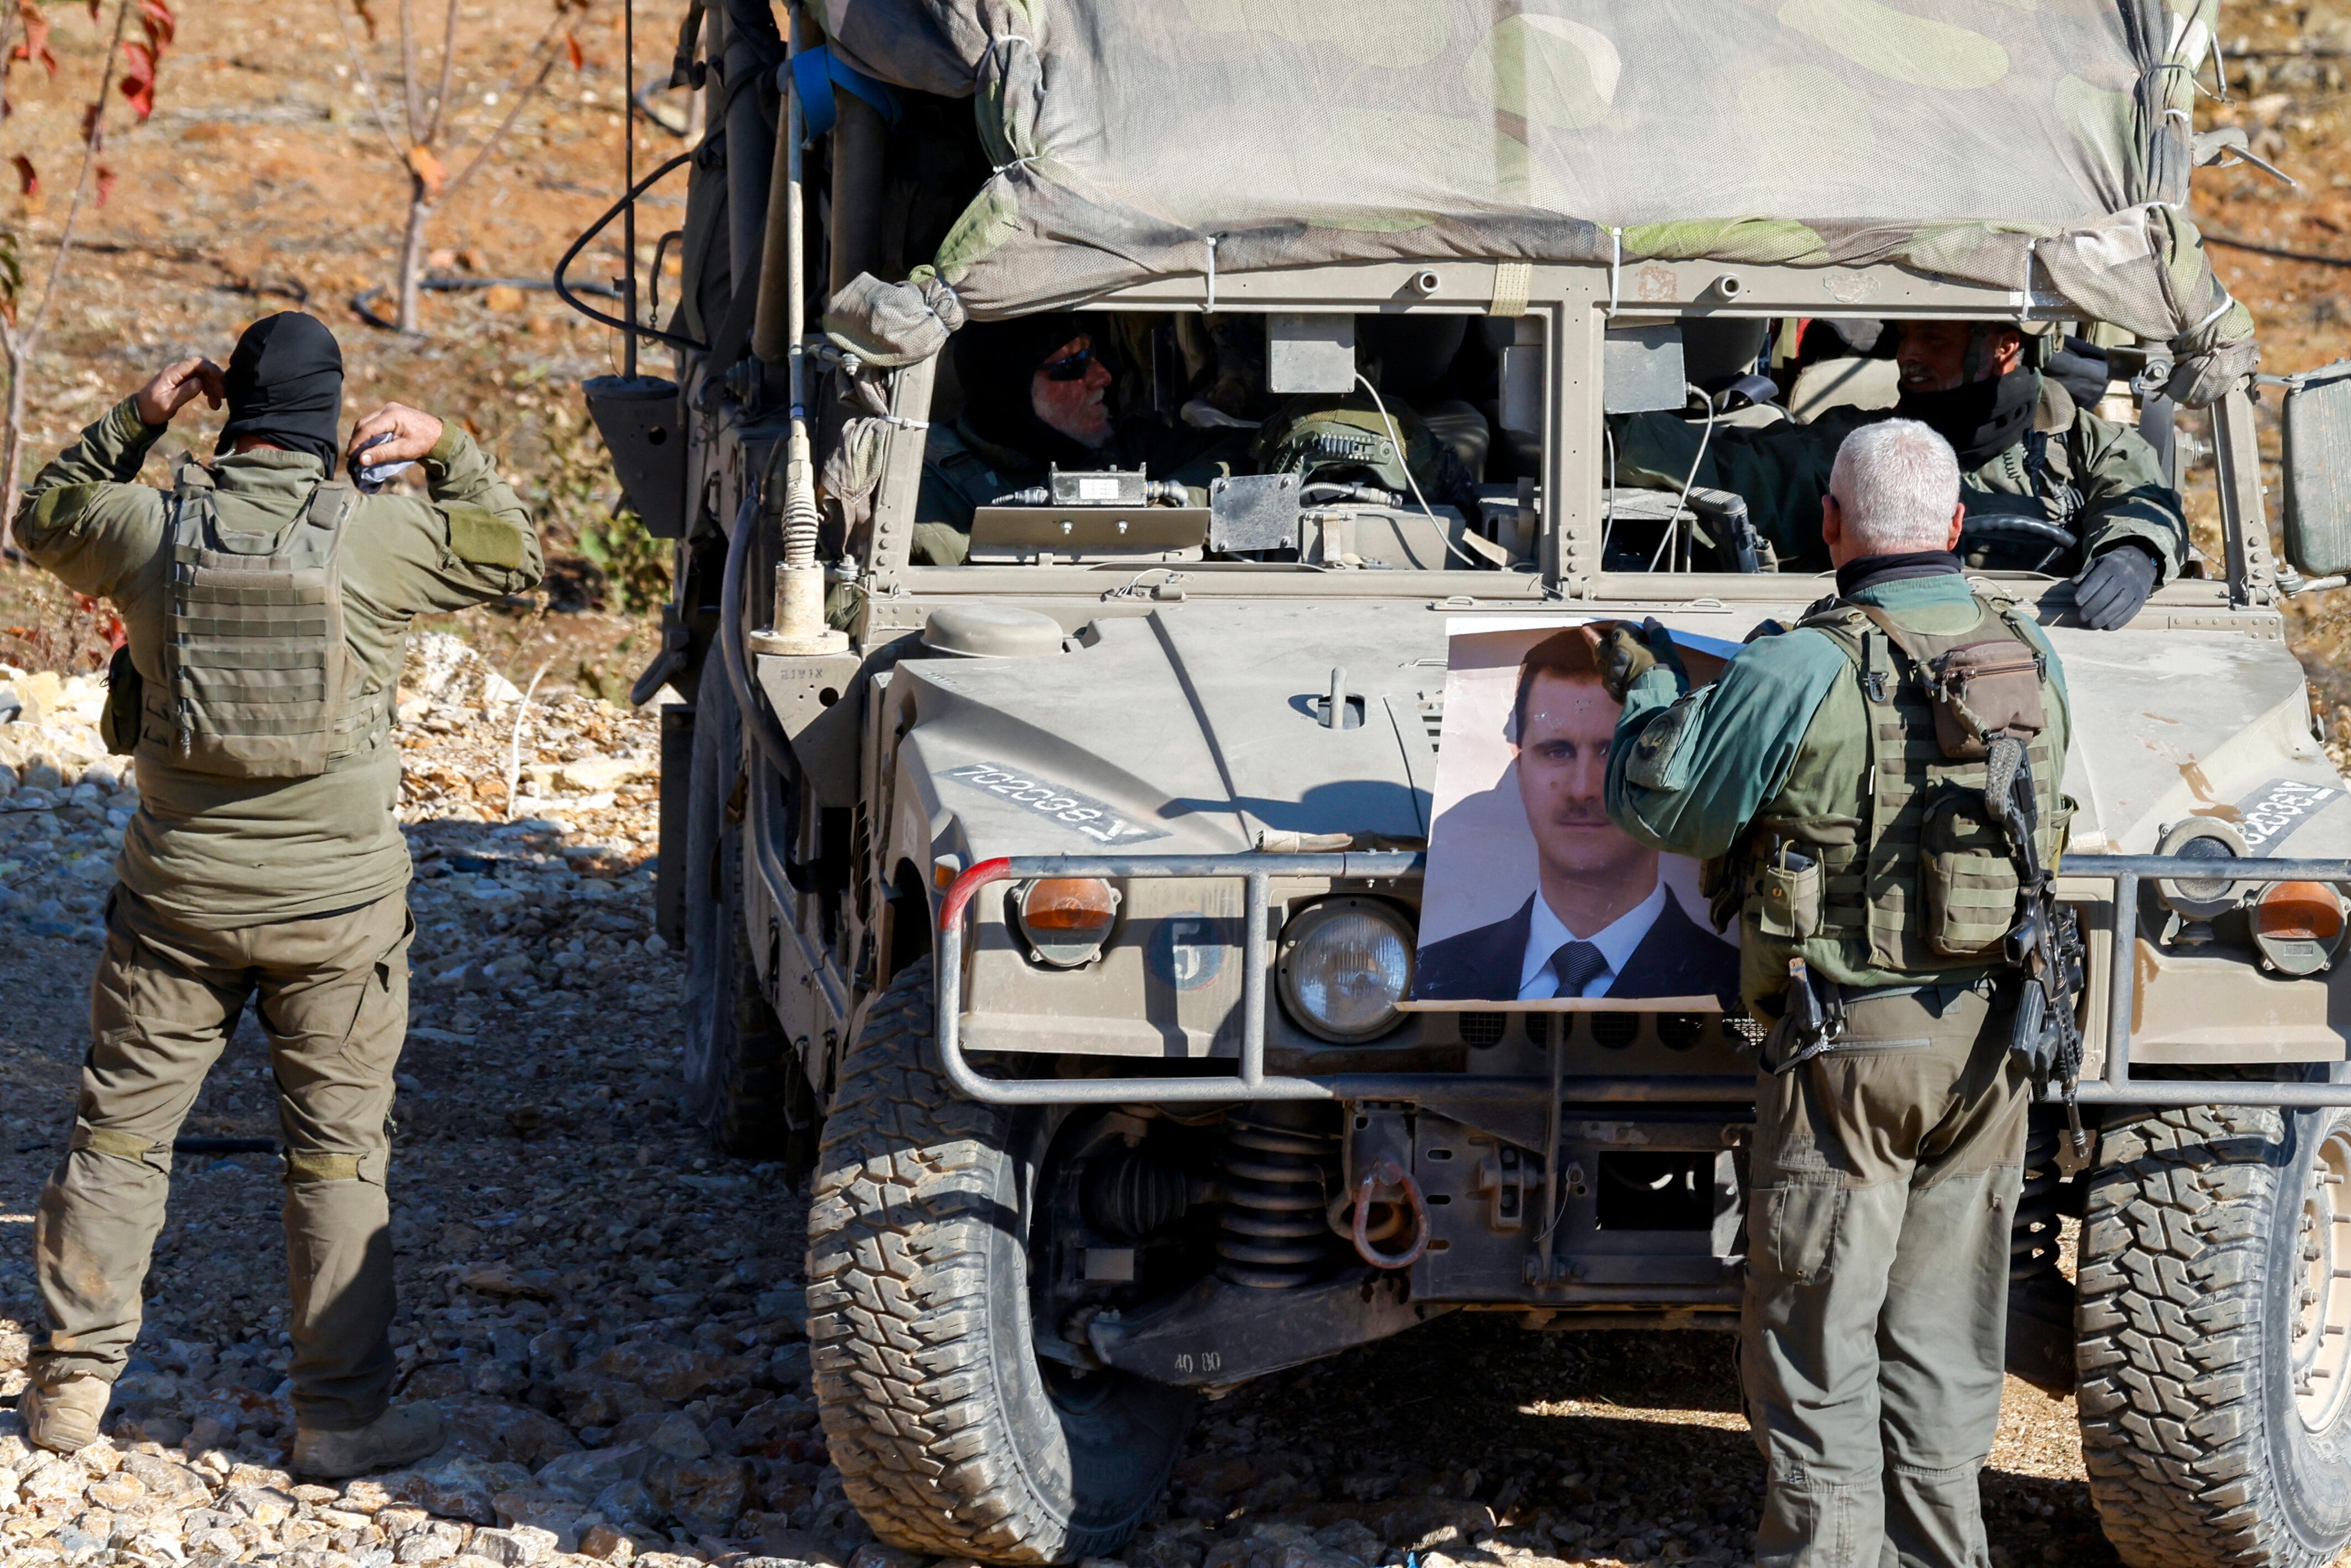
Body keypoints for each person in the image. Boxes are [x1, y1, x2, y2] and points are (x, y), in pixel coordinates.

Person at [11, 312, 542, 1477]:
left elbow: (41, 515)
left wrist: (140, 418)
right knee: (339, 1159)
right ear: (332, 418)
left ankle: (71, 1388)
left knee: (121, 1135)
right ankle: (340, 1418)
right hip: (339, 914)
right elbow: (513, 556)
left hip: (176, 904)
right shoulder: (380, 537)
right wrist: (445, 444)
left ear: (232, 407)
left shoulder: (149, 526)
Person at [1597, 419, 2070, 1568]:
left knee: (1817, 1343)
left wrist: (1653, 695)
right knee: (1945, 1339)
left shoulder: (1800, 662)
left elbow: (1670, 813)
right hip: (1998, 1039)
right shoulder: (2028, 654)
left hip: (1853, 1050)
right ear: (1957, 527)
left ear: (1830, 526)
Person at [1612, 318, 2183, 628]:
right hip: (1881, 647)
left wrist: (2136, 552)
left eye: (1933, 338)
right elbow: (1735, 465)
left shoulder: (2077, 442)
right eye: (1904, 336)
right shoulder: (1857, 446)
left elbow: (2139, 494)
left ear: (2005, 346)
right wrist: (1599, 422)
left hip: (2053, 635)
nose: (1908, 354)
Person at [1415, 626, 1737, 1004]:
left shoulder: (1738, 987)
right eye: (1557, 751)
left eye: (1612, 751)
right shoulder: (1438, 972)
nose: (1582, 790)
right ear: (1519, 770)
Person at [912, 313, 1237, 565]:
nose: (1102, 376)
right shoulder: (925, 505)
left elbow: (1244, 454)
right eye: (1072, 365)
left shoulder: (1131, 445)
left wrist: (1167, 510)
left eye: (1092, 353)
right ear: (1008, 395)